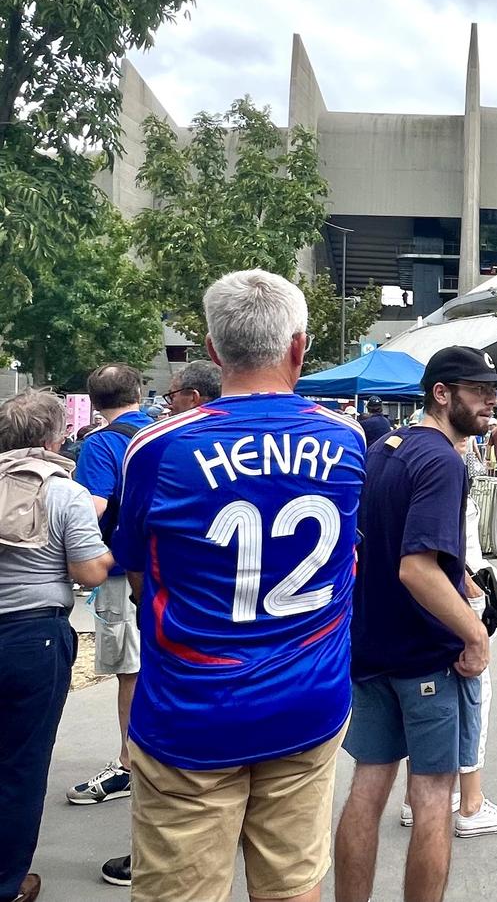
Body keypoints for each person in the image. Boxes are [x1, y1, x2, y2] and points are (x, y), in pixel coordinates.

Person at [110, 269, 367, 902]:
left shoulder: (157, 447)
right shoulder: (347, 438)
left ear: (214, 349)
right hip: (308, 699)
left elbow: (139, 566)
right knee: (295, 884)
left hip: (191, 713)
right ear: (299, 347)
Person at [335, 346, 497, 902]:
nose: (492, 400)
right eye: (478, 389)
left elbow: (388, 544)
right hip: (425, 655)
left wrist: (455, 574)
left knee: (368, 784)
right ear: (442, 393)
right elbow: (415, 568)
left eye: (494, 389)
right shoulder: (442, 458)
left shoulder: (384, 448)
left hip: (371, 645)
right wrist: (475, 634)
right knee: (434, 796)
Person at [97, 356, 223, 888]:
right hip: (288, 674)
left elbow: (130, 557)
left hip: (186, 660)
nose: (166, 402)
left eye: (172, 393)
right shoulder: (330, 437)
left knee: (180, 831)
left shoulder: (151, 446)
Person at [0, 391, 114, 902]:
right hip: (33, 636)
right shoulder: (64, 492)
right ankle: (7, 881)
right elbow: (87, 570)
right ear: (55, 436)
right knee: (20, 765)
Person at [399, 438, 497, 839]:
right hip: (452, 596)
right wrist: (469, 589)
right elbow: (442, 550)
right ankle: (471, 803)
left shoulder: (400, 455)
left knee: (429, 699)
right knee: (473, 694)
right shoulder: (445, 464)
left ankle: (416, 798)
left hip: (421, 603)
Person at [64, 364, 152, 810]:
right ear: (139, 391)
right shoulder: (162, 432)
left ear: (93, 401)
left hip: (120, 572)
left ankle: (129, 764)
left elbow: (93, 507)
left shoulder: (100, 444)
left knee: (130, 670)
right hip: (171, 569)